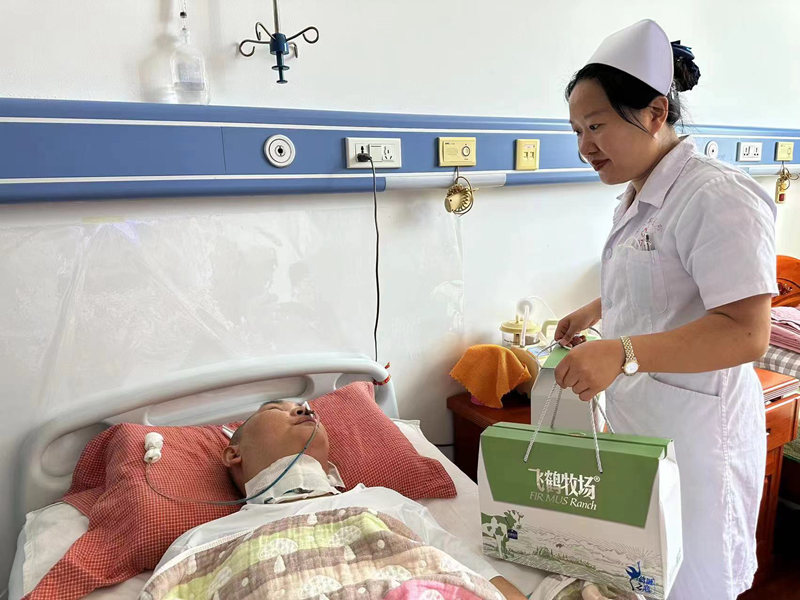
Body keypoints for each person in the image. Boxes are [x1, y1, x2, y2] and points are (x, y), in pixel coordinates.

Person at [554, 19, 777, 600]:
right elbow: (665, 279)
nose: (584, 147)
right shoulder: (640, 194)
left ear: (655, 113)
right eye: (576, 130)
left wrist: (621, 352)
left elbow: (746, 332)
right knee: (648, 575)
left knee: (693, 581)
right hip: (646, 423)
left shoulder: (717, 195)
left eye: (596, 126)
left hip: (700, 440)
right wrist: (596, 310)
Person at [145, 400, 528, 600]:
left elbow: (470, 571)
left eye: (304, 406)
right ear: (233, 453)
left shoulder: (381, 501)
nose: (303, 409)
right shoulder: (200, 542)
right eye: (277, 409)